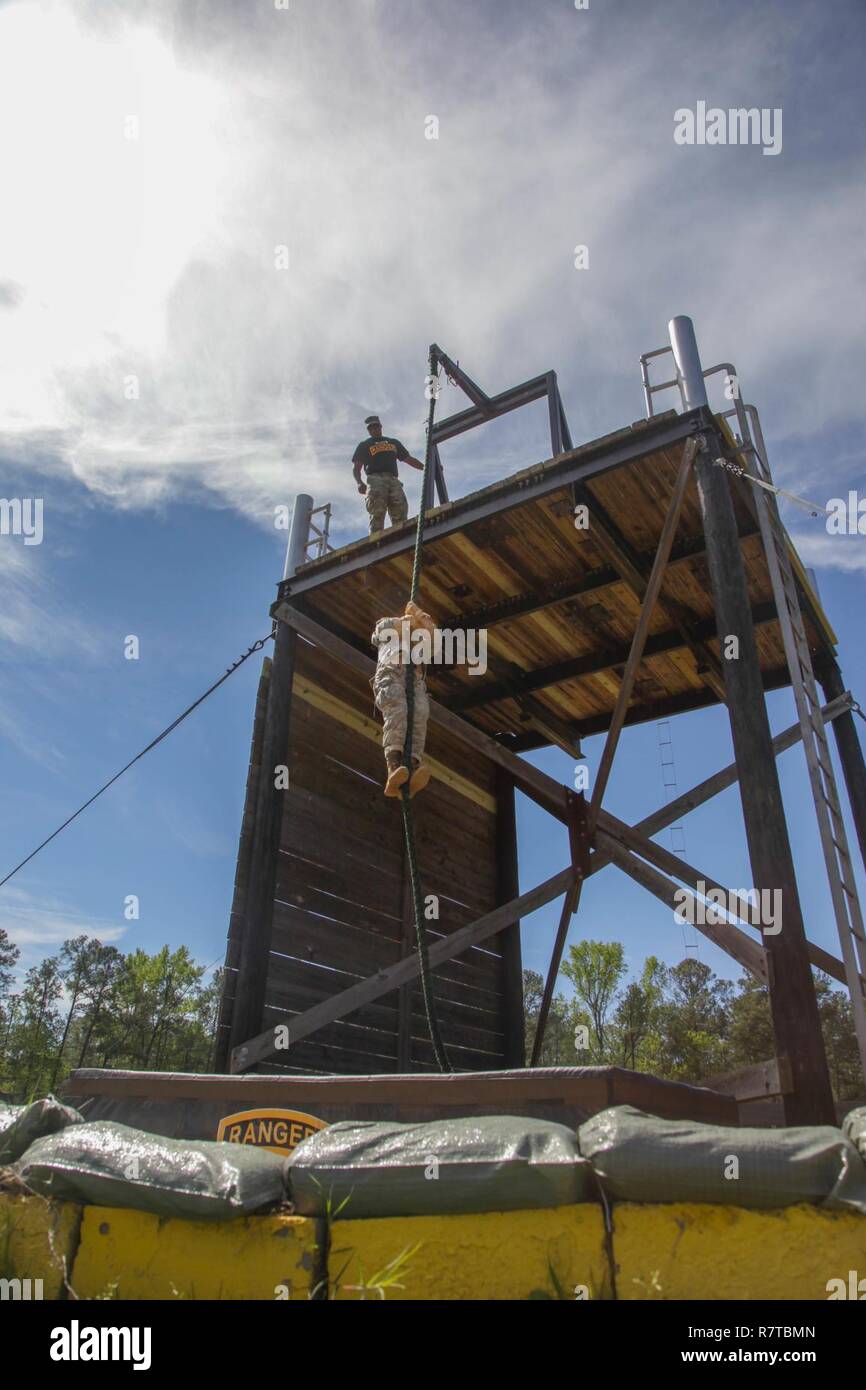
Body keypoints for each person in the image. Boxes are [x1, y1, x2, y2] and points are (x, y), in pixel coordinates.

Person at [371, 600, 436, 798]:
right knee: (398, 710)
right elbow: (382, 630)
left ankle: (412, 767)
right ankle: (394, 766)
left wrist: (425, 624)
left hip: (414, 681)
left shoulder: (419, 642)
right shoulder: (387, 626)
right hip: (391, 675)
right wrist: (408, 620)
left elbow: (434, 642)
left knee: (420, 712)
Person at [352, 414, 423, 534]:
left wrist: (426, 467)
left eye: (376, 426)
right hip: (375, 479)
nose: (374, 429)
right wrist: (359, 482)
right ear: (368, 430)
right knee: (377, 513)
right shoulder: (364, 445)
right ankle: (376, 543)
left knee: (400, 511)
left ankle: (401, 538)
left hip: (393, 479)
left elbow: (408, 459)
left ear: (381, 427)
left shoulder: (393, 442)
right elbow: (356, 468)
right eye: (371, 428)